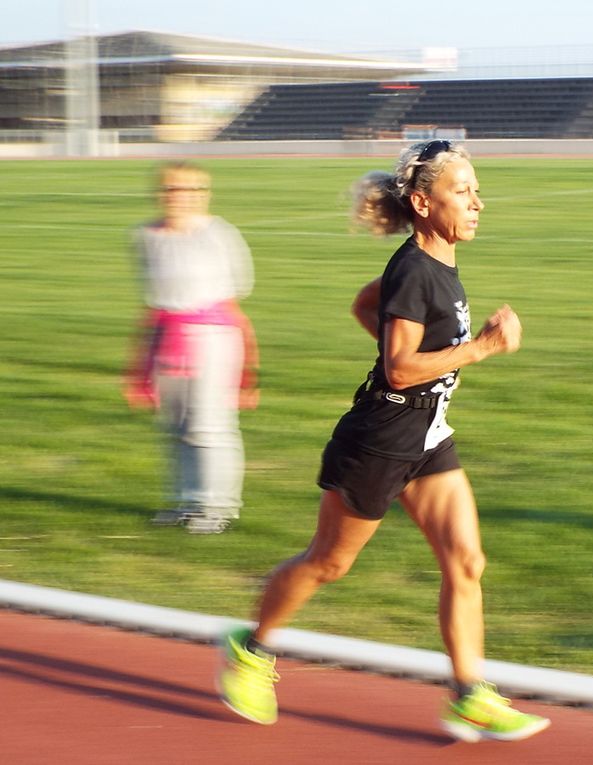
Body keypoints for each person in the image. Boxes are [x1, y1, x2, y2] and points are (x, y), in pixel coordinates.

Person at [217, 140, 550, 742]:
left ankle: (469, 693)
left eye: (478, 191)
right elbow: (398, 367)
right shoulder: (417, 269)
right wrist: (479, 350)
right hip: (380, 438)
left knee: (466, 561)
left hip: (426, 435)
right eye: (463, 192)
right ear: (423, 202)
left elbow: (366, 303)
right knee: (329, 563)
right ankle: (253, 649)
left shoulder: (434, 263)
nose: (477, 203)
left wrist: (437, 360)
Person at [124, 161, 258, 534]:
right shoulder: (144, 236)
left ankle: (217, 506)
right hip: (166, 336)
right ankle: (185, 501)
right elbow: (152, 298)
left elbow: (236, 291)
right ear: (159, 193)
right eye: (172, 189)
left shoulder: (218, 233)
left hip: (211, 338)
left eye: (192, 190)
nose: (182, 198)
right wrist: (142, 360)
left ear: (205, 195)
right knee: (176, 425)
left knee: (209, 425)